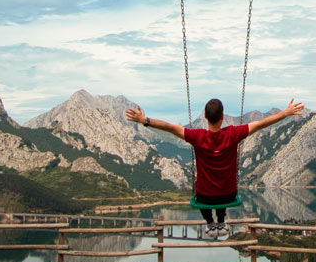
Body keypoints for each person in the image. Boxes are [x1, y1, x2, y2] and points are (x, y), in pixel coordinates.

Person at [126, 96, 304, 238]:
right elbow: (261, 124)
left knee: (205, 194)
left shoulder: (197, 136)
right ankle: (221, 221)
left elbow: (171, 127)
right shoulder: (233, 134)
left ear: (204, 115)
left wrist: (144, 120)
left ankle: (210, 223)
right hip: (229, 194)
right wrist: (286, 113)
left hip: (204, 197)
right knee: (222, 192)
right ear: (222, 117)